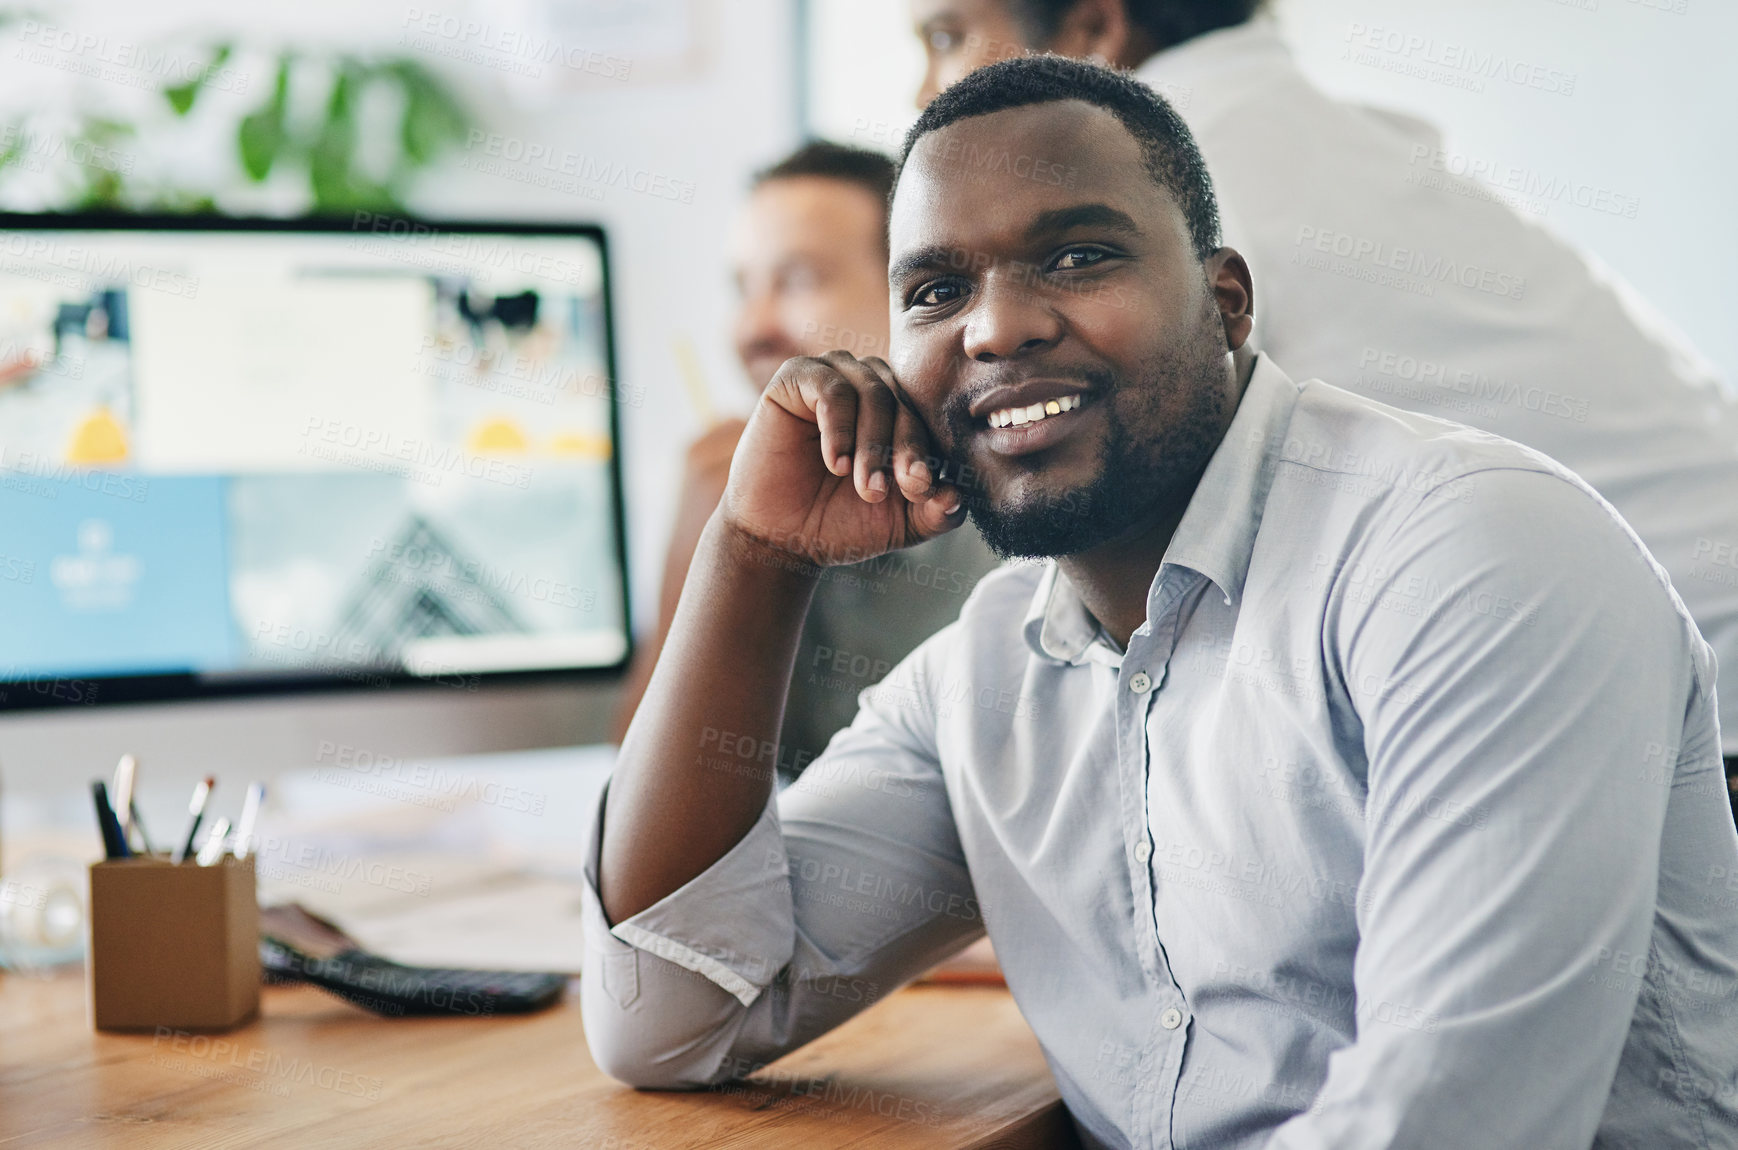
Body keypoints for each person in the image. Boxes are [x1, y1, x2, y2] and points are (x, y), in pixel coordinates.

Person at [581, 58, 1738, 1148]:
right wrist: (752, 557)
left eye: (1078, 257)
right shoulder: (986, 673)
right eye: (936, 290)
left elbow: (1443, 1122)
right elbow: (667, 1012)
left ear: (1227, 302)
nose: (996, 326)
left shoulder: (1471, 557)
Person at [910, 0, 1738, 814]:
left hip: (1686, 690)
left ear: (1095, 28)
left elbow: (1067, 487)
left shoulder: (1180, 178)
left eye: (947, 38)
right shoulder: (1303, 130)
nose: (922, 90)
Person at [611, 142, 1001, 781]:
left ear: (922, 294)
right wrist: (712, 549)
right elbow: (637, 804)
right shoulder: (744, 499)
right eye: (743, 287)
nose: (750, 329)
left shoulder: (1010, 529)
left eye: (798, 280)